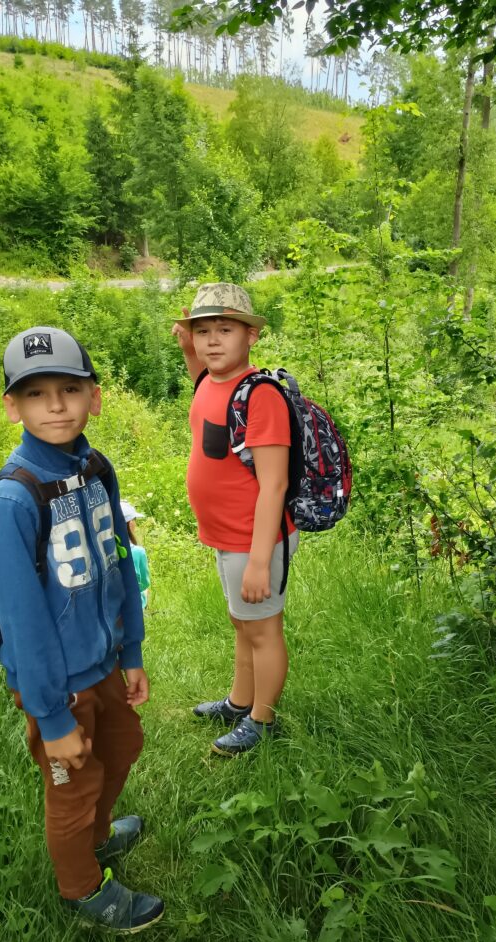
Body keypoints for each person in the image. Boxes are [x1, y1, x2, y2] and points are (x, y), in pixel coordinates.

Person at [0, 326, 164, 933]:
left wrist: (131, 649)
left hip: (105, 660)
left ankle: (97, 833)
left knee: (121, 748)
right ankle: (82, 889)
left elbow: (119, 564)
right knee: (71, 784)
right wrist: (52, 717)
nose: (56, 406)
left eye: (69, 388)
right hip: (57, 684)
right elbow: (22, 620)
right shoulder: (14, 499)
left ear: (95, 396)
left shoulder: (95, 468)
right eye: (36, 394)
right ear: (13, 406)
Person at [171, 283, 299, 757]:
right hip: (227, 537)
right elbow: (203, 384)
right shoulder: (210, 381)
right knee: (242, 624)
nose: (212, 340)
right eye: (202, 331)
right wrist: (188, 350)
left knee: (263, 631)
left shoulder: (260, 396)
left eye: (225, 330)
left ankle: (262, 720)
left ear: (251, 336)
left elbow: (274, 485)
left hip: (255, 538)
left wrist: (260, 562)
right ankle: (240, 701)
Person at [120, 500, 151, 609]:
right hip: (133, 605)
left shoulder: (105, 551)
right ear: (130, 524)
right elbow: (144, 583)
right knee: (145, 591)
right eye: (135, 519)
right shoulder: (138, 552)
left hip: (112, 606)